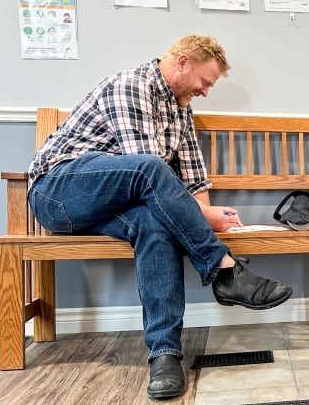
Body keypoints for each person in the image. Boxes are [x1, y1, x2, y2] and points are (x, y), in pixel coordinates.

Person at [27, 35, 292, 400]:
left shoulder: (180, 108)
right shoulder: (130, 86)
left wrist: (208, 211)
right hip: (58, 192)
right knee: (150, 169)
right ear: (182, 63)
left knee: (156, 225)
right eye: (205, 82)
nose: (205, 92)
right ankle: (224, 270)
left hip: (109, 205)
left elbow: (193, 175)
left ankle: (164, 354)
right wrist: (204, 218)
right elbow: (146, 167)